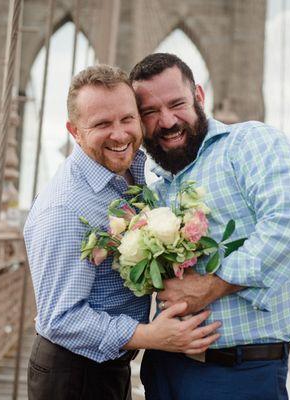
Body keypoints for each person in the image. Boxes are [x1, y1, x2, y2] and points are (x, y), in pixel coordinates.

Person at [23, 64, 221, 400]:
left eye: (127, 119)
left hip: (108, 368)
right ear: (75, 131)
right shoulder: (66, 208)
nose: (119, 134)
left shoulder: (131, 171)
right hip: (73, 375)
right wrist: (151, 336)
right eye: (101, 124)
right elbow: (59, 319)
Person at [129, 53, 290, 400]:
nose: (166, 121)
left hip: (238, 374)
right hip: (163, 371)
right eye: (150, 113)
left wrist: (212, 286)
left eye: (176, 104)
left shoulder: (250, 143)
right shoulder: (152, 188)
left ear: (199, 96)